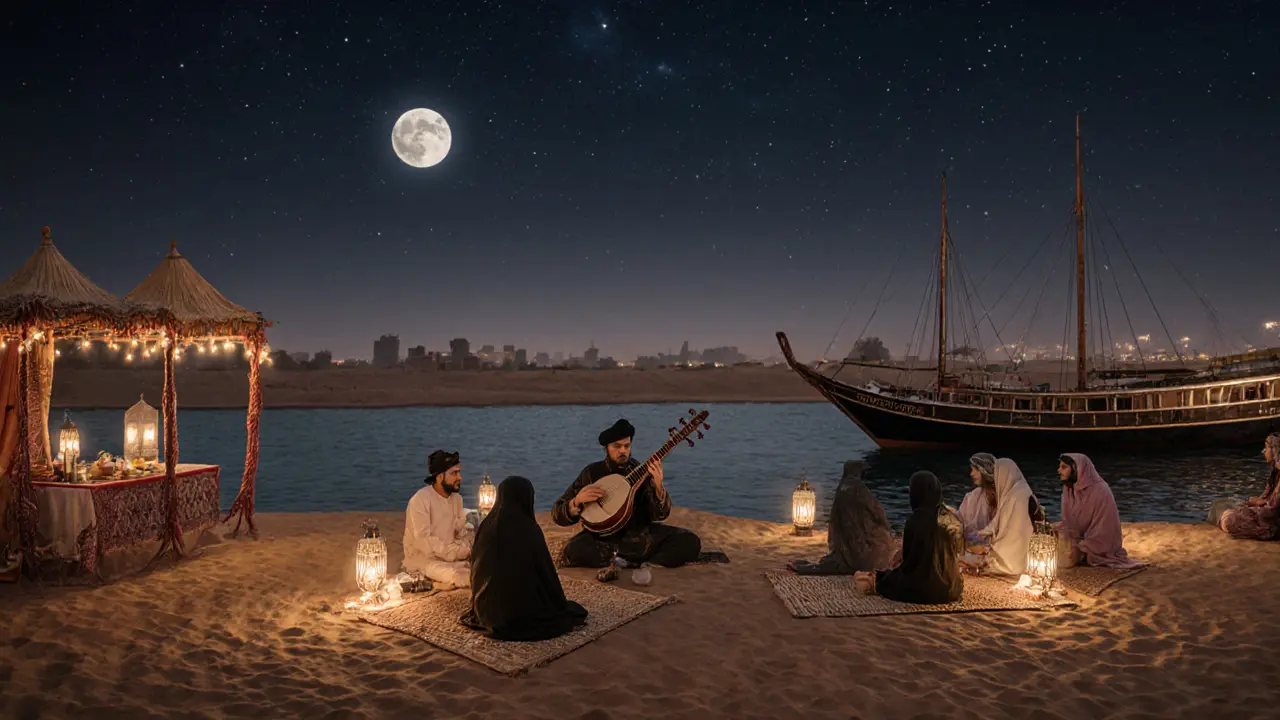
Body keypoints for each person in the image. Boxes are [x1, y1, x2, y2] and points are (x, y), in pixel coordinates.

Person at [553, 419, 702, 568]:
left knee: (689, 541)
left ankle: (647, 564)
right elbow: (557, 514)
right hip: (602, 539)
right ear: (607, 448)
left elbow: (660, 515)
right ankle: (627, 561)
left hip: (640, 538)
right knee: (574, 549)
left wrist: (659, 487)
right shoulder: (591, 473)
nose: (623, 451)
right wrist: (576, 501)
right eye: (617, 446)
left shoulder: (640, 471)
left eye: (627, 446)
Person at [461, 476, 588, 641]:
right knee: (569, 613)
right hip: (518, 616)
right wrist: (558, 604)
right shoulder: (528, 530)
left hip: (486, 611)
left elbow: (476, 571)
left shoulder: (486, 527)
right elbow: (546, 575)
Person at [857, 471, 963, 604]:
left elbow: (910, 564)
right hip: (951, 587)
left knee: (889, 579)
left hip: (925, 590)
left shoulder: (915, 520)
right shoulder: (949, 517)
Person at [787, 460, 896, 574]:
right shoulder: (859, 489)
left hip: (846, 545)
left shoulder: (842, 488)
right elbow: (878, 513)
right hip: (864, 552)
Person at [402, 450, 473, 588]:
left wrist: (466, 548)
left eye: (459, 472)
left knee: (485, 568)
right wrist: (456, 552)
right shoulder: (420, 500)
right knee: (463, 577)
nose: (460, 477)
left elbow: (460, 532)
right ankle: (434, 584)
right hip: (424, 561)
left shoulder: (457, 499)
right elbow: (424, 542)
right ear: (440, 477)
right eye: (454, 473)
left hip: (452, 558)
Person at [1057, 453, 1141, 568]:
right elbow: (1068, 523)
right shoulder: (1069, 489)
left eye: (1064, 467)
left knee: (1067, 559)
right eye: (1060, 466)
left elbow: (1105, 530)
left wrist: (1083, 546)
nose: (1059, 470)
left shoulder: (1101, 490)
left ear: (1078, 469)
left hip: (1099, 542)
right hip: (1079, 539)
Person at [1209, 433, 1280, 541]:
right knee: (1220, 504)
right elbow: (1265, 499)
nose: (1263, 451)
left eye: (1266, 448)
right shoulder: (1275, 473)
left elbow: (1271, 510)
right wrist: (1255, 502)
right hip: (1264, 517)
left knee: (1229, 518)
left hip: (1270, 525)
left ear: (1274, 450)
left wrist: (1255, 504)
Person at [976, 457, 1039, 576]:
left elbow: (1011, 533)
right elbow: (999, 521)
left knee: (971, 558)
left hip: (1015, 559)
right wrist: (979, 533)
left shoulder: (1017, 495)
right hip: (1025, 552)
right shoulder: (1016, 491)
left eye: (996, 473)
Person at [957, 453, 998, 544]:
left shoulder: (1002, 496)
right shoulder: (972, 497)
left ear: (985, 470)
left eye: (975, 469)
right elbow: (959, 521)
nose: (971, 474)